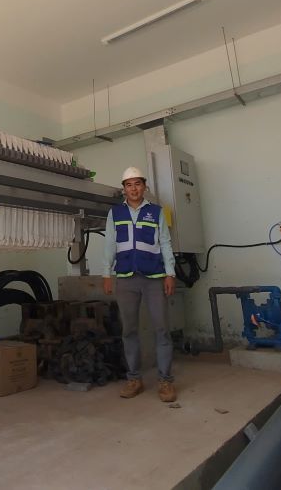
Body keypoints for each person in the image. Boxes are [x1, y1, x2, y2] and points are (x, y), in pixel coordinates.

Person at [102, 166, 177, 402]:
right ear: (124, 189)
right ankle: (134, 379)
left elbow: (165, 243)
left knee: (162, 329)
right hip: (126, 278)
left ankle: (165, 381)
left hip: (154, 278)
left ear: (144, 187)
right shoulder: (115, 213)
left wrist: (170, 273)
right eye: (129, 185)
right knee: (129, 330)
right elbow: (109, 244)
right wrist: (106, 274)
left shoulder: (156, 212)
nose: (133, 189)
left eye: (137, 184)